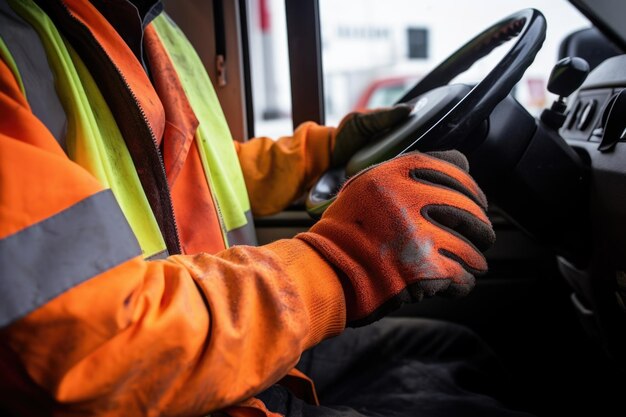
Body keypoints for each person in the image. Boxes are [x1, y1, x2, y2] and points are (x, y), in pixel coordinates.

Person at [0, 0, 529, 416]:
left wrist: (322, 152)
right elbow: (91, 353)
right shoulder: (15, 43)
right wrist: (338, 265)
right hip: (172, 379)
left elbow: (191, 167)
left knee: (453, 350)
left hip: (232, 336)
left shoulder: (150, 29)